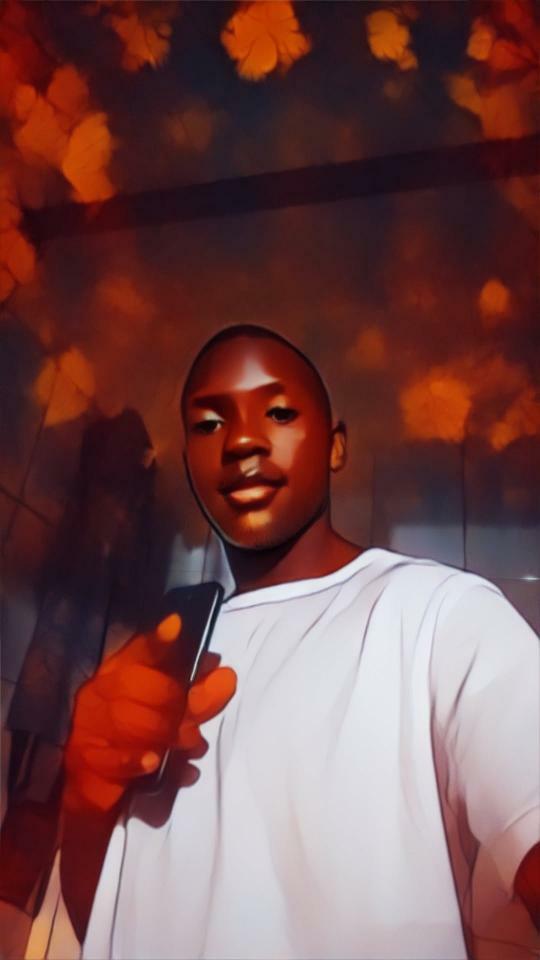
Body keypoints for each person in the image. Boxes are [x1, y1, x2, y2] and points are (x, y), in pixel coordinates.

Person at [60, 324, 538, 959]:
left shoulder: (440, 613)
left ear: (336, 446)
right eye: (208, 424)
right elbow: (107, 923)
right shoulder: (167, 658)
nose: (242, 441)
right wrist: (86, 794)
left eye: (279, 413)